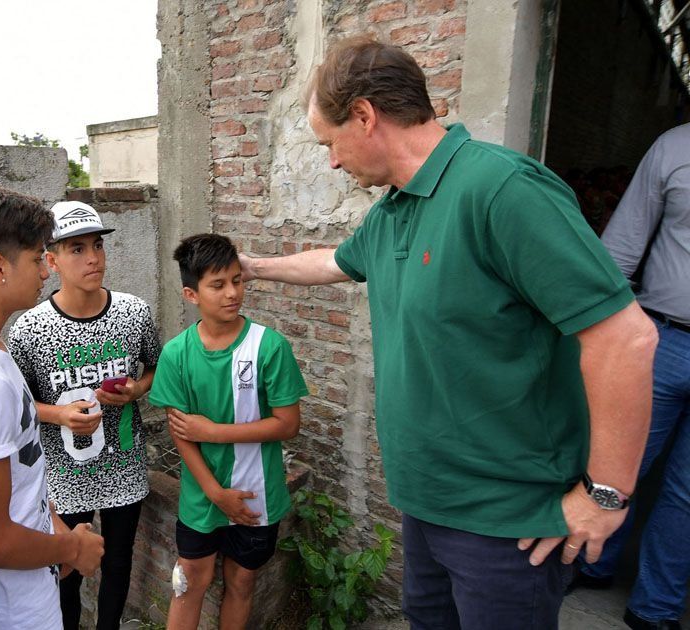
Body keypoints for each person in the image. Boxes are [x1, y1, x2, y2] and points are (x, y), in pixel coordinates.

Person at [239, 37, 659, 628]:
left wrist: (606, 494)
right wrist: (252, 267)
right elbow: (335, 262)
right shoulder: (394, 209)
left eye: (330, 143)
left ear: (364, 115)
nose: (332, 162)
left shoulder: (501, 189)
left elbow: (625, 339)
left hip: (506, 520)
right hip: (426, 505)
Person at [0, 187, 105, 629]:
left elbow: (22, 477)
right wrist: (72, 548)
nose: (45, 272)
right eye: (36, 259)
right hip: (10, 610)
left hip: (30, 588)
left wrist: (56, 529)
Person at [8, 201, 162, 630]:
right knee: (66, 572)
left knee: (118, 563)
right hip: (64, 474)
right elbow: (17, 404)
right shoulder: (30, 329)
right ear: (51, 260)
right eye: (77, 249)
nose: (93, 258)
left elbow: (155, 366)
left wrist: (136, 390)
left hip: (123, 464)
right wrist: (58, 414)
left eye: (97, 245)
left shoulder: (133, 312)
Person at [149, 233, 308, 630]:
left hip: (257, 497)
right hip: (202, 497)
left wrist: (215, 431)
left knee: (242, 582)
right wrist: (215, 492)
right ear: (191, 294)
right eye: (218, 285)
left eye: (237, 280)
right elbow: (181, 433)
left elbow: (288, 424)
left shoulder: (270, 346)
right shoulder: (176, 354)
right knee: (188, 582)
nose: (232, 292)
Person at [580, 122, 690, 630]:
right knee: (616, 465)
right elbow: (621, 248)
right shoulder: (676, 147)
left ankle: (654, 608)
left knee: (687, 493)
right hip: (663, 340)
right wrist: (607, 336)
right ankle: (591, 563)